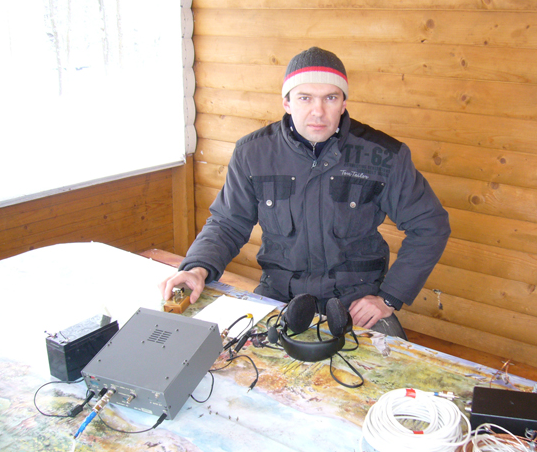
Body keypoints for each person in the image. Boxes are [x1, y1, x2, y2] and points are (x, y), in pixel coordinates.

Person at [160, 47, 450, 339]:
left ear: (343, 103)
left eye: (330, 98)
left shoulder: (383, 155)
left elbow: (430, 225)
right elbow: (227, 223)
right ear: (286, 102)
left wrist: (389, 297)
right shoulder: (253, 154)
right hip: (279, 297)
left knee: (391, 365)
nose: (318, 111)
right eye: (305, 98)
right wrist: (197, 267)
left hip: (357, 303)